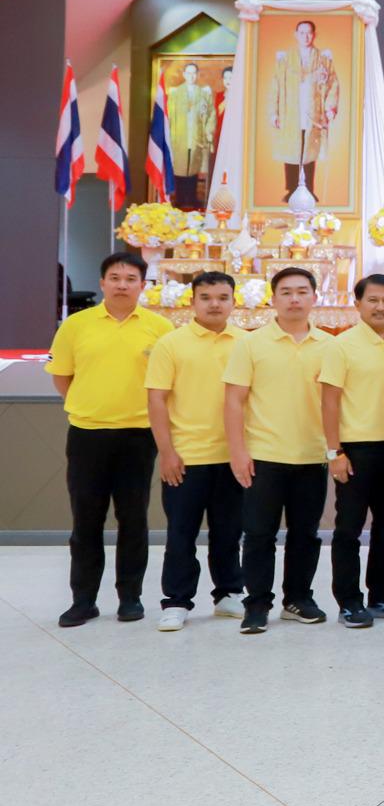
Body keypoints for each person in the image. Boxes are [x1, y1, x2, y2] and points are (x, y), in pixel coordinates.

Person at [49, 251, 174, 627]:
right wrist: (87, 405)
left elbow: (168, 384)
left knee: (133, 518)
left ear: (143, 285)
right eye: (115, 278)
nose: (122, 285)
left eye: (131, 279)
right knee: (86, 519)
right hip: (87, 434)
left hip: (139, 436)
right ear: (102, 283)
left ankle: (130, 598)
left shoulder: (160, 328)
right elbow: (62, 375)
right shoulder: (76, 325)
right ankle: (83, 600)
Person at [222, 267, 333, 634]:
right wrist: (238, 452)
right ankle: (257, 604)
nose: (295, 299)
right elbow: (234, 400)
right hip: (263, 455)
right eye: (286, 292)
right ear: (273, 298)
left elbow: (336, 404)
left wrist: (335, 450)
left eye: (302, 291)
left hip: (312, 455)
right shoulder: (251, 344)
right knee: (258, 535)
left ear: (314, 297)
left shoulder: (330, 346)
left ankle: (298, 599)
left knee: (305, 535)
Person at [144, 269, 244, 630]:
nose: (214, 304)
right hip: (186, 457)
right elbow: (157, 399)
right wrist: (167, 452)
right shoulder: (172, 344)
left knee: (229, 531)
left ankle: (229, 593)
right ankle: (176, 600)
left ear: (234, 301)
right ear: (193, 301)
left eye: (222, 297)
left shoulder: (246, 343)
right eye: (206, 298)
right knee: (180, 533)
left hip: (233, 457)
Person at [316, 274, 384, 628]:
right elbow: (329, 402)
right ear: (357, 304)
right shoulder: (341, 346)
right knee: (349, 528)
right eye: (372, 300)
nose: (380, 307)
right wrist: (334, 452)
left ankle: (382, 595)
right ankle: (348, 601)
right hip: (356, 448)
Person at [268, 18, 341, 203]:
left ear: (314, 35)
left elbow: (333, 83)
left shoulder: (323, 59)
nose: (305, 36)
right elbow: (275, 85)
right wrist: (274, 112)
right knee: (292, 148)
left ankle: (308, 189)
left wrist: (330, 108)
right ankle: (291, 189)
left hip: (313, 111)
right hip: (290, 110)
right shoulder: (285, 59)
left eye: (309, 33)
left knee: (309, 149)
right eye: (302, 33)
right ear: (296, 35)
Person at [166, 61, 216, 208]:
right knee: (180, 168)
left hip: (196, 137)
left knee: (193, 168)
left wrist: (208, 131)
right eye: (188, 73)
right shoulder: (175, 93)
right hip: (179, 137)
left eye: (194, 73)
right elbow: (169, 115)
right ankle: (180, 199)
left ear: (197, 75)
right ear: (184, 74)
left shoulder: (204, 93)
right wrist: (168, 134)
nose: (191, 76)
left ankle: (192, 199)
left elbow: (211, 114)